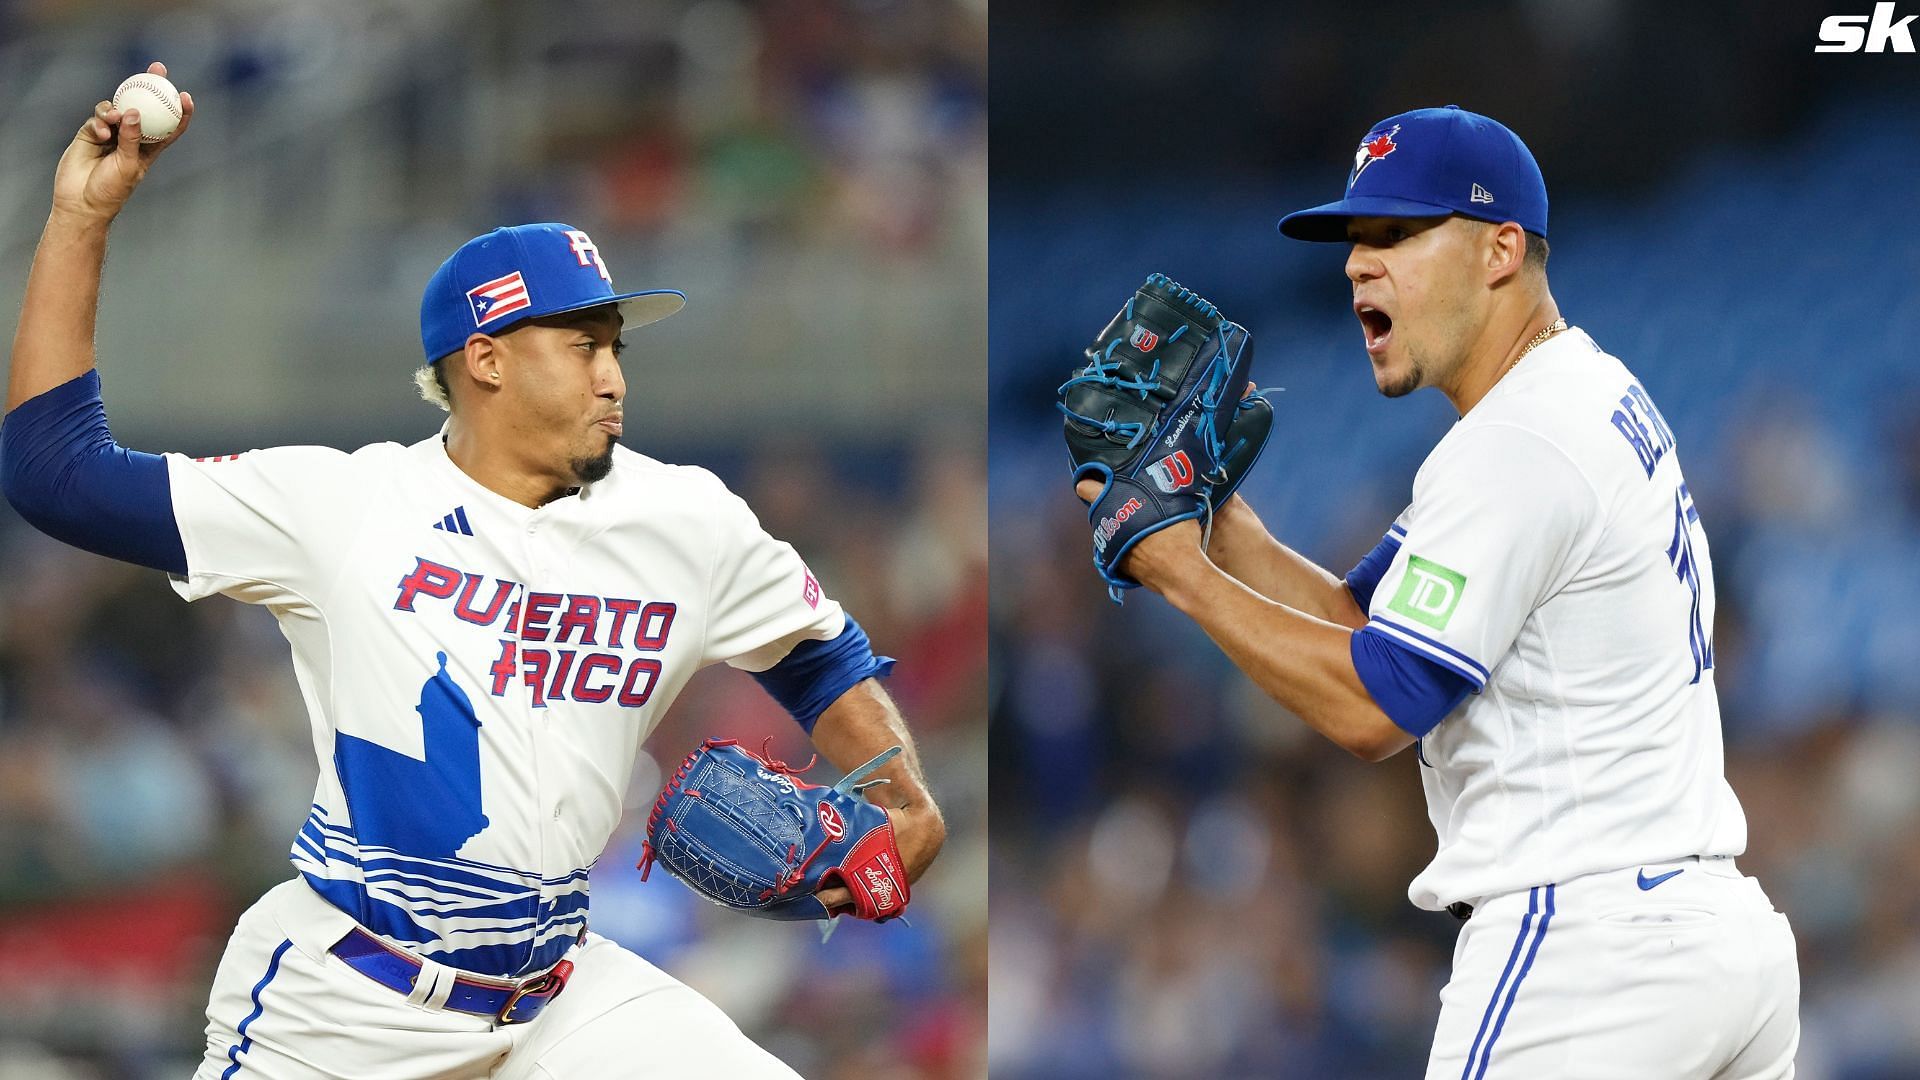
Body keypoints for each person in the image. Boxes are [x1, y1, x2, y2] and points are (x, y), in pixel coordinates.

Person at [0, 63, 945, 1079]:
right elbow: (59, 475)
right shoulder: (341, 506)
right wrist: (79, 220)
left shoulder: (687, 520)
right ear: (485, 358)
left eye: (615, 344)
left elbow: (816, 654)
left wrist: (905, 803)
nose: (614, 374)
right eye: (581, 345)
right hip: (352, 999)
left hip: (560, 993)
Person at [1078, 105, 1799, 1077]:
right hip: (1716, 945)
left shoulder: (1520, 441)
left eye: (1396, 235)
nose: (1356, 266)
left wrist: (1174, 571)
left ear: (1501, 249)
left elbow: (1377, 705)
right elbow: (1365, 626)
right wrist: (1221, 528)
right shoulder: (1578, 395)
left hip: (1589, 951)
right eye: (1354, 241)